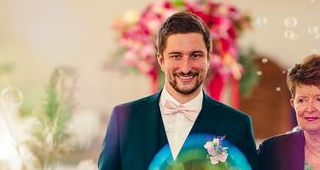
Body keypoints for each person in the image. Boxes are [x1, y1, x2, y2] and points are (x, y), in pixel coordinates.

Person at [98, 11, 258, 170]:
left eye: (195, 55)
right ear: (161, 60)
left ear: (209, 58)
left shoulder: (237, 124)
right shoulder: (124, 118)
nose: (186, 68)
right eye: (176, 56)